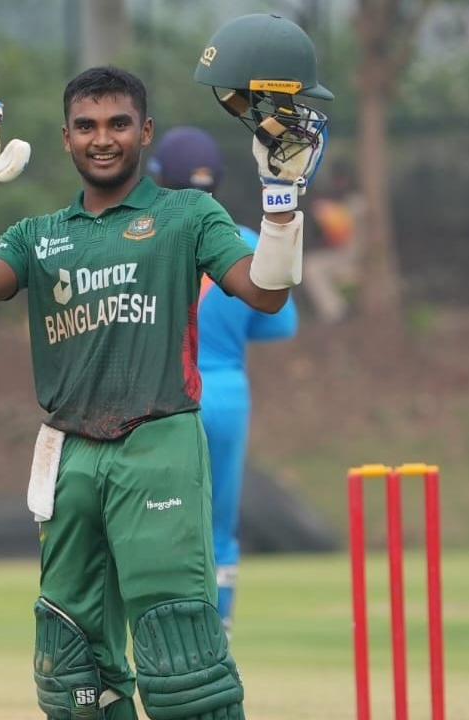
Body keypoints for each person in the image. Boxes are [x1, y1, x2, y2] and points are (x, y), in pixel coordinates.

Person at [0, 63, 324, 720]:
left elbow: (266, 293)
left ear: (145, 132)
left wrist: (281, 200)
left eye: (118, 123)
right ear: (66, 137)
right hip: (69, 454)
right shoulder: (37, 235)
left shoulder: (187, 214)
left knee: (181, 660)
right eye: (86, 126)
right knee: (73, 670)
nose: (103, 138)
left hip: (159, 442)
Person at [149, 126, 299, 640]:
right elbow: (279, 323)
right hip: (228, 393)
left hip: (163, 395)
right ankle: (217, 636)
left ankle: (164, 633)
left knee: (159, 518)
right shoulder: (246, 244)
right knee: (218, 528)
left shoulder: (142, 241)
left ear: (156, 178)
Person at [302, 159, 363, 324]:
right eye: (337, 179)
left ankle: (339, 313)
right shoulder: (332, 201)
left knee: (317, 269)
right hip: (341, 257)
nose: (340, 183)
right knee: (311, 267)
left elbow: (343, 231)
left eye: (342, 178)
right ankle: (337, 314)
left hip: (356, 259)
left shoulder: (357, 203)